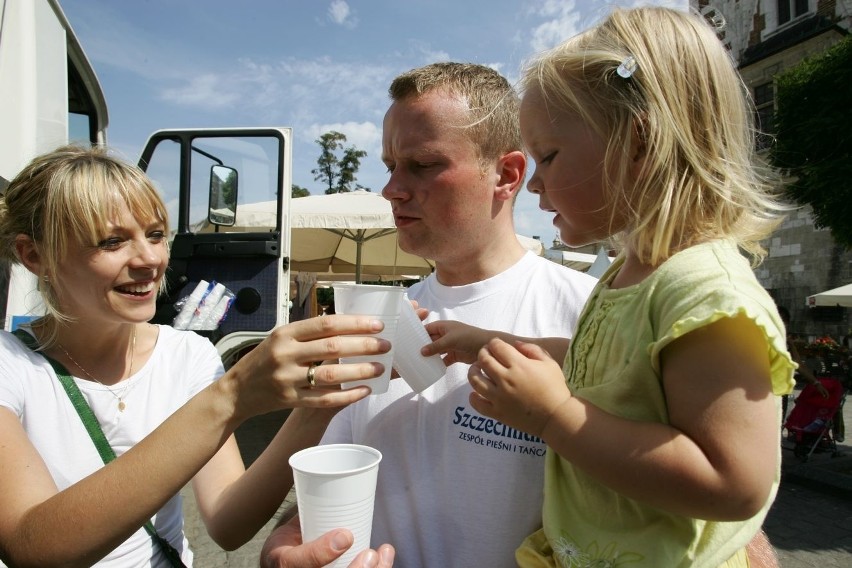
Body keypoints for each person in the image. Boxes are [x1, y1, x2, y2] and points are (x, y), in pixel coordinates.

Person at [423, 6, 796, 567]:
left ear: (638, 143)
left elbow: (735, 482)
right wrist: (486, 341)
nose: (536, 183)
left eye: (547, 155)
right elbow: (608, 369)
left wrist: (554, 417)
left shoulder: (701, 290)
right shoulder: (628, 272)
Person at [261, 62, 598, 568]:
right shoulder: (375, 318)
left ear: (506, 175)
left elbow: (704, 522)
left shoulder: (590, 313)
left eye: (421, 165)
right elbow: (334, 479)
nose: (391, 189)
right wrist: (286, 545)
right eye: (389, 165)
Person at [0, 145, 393, 567]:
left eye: (154, 234)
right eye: (112, 241)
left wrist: (321, 401)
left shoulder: (186, 354)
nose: (150, 259)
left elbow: (228, 523)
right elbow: (31, 546)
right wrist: (233, 395)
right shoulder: (12, 365)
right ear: (35, 256)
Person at [777, 305, 829, 423]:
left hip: (781, 391)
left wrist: (816, 383)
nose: (781, 324)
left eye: (784, 321)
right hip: (762, 390)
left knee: (777, 426)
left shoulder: (787, 343)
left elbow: (798, 364)